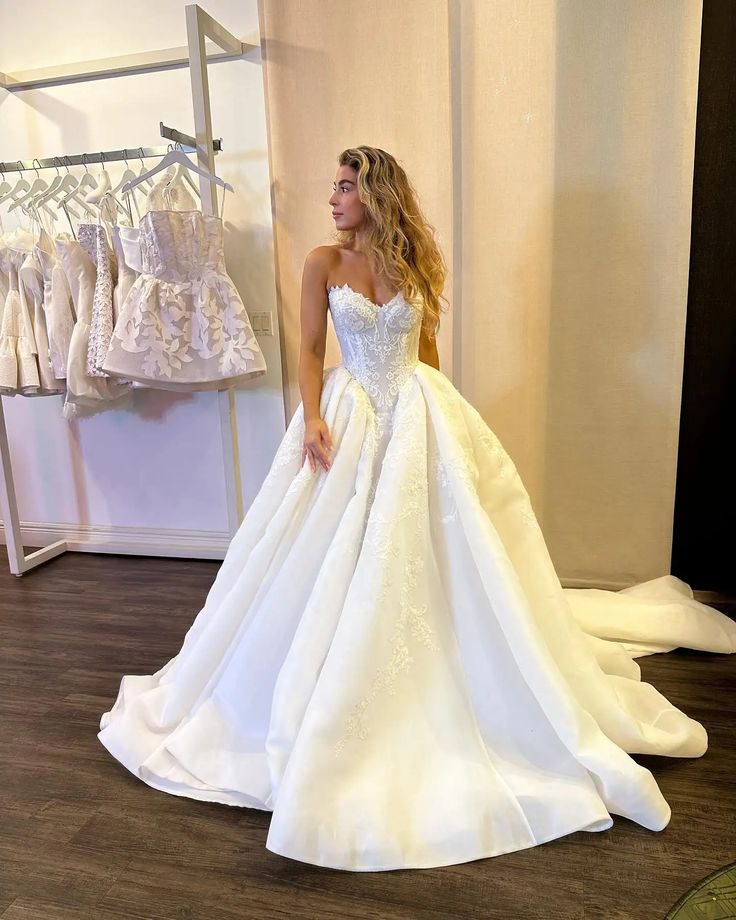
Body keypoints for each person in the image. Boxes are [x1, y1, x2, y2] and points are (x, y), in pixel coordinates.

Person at [98, 145, 736, 873]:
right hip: (345, 417)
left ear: (376, 193)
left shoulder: (415, 267)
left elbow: (426, 355)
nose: (332, 199)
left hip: (415, 414)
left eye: (344, 187)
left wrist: (444, 435)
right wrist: (311, 418)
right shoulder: (322, 264)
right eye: (332, 187)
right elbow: (308, 350)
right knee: (318, 555)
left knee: (437, 556)